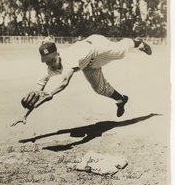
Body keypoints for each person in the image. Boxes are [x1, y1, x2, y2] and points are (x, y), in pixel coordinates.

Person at [19, 34, 152, 122]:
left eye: (52, 60)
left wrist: (50, 93)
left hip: (97, 48)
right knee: (99, 89)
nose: (50, 64)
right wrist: (24, 115)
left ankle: (138, 42)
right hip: (88, 64)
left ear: (58, 54)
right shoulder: (47, 69)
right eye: (46, 61)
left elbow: (65, 81)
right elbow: (35, 94)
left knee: (121, 52)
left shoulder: (70, 58)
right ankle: (121, 100)